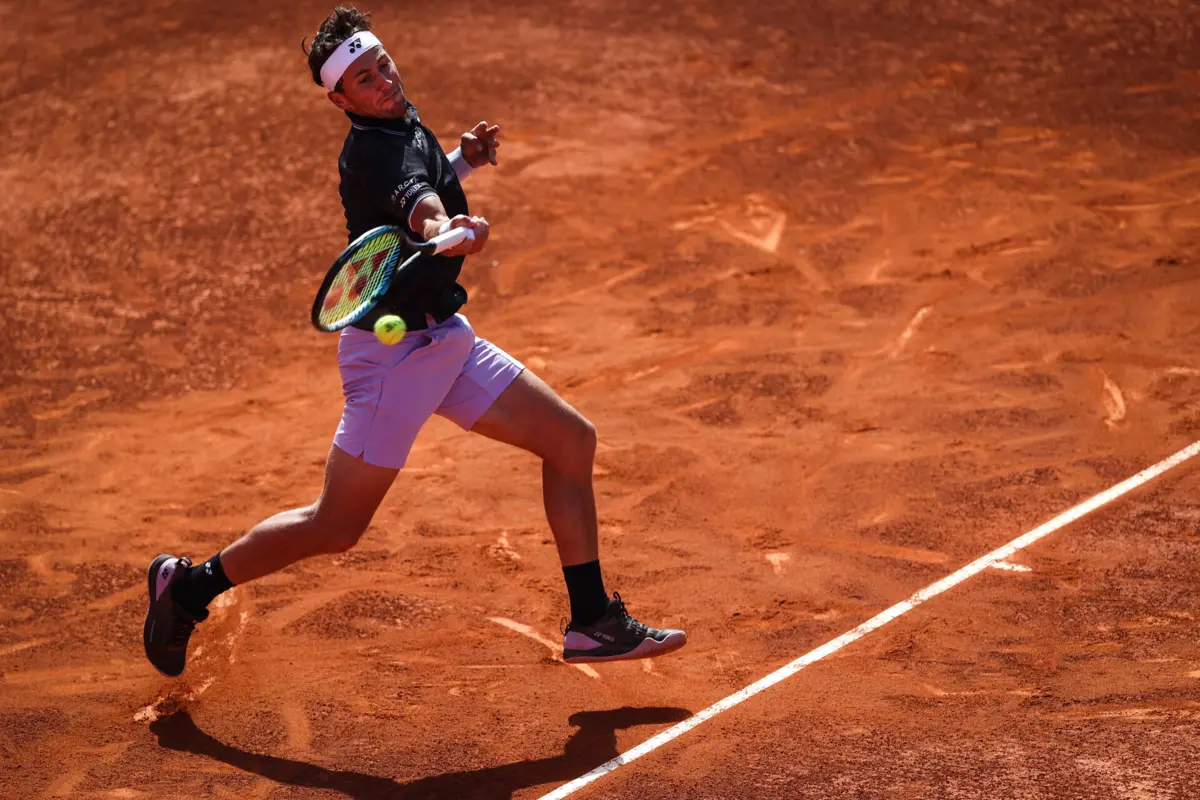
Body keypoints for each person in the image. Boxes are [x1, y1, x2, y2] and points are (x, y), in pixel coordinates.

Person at [142, 5, 686, 678]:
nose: (383, 82)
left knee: (570, 440)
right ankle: (188, 588)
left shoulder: (397, 122)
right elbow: (418, 205)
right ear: (339, 98)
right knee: (335, 528)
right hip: (394, 362)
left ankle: (593, 620)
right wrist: (449, 225)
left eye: (384, 65)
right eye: (365, 80)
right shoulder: (375, 150)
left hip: (443, 342)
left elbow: (423, 180)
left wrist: (461, 161)